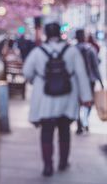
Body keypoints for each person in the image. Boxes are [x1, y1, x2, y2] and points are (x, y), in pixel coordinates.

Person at [23, 23, 92, 177]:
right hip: (67, 98)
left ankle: (48, 166)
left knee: (46, 132)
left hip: (45, 99)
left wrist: (36, 79)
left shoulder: (38, 52)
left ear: (46, 34)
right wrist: (86, 98)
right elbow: (81, 75)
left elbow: (27, 72)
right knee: (65, 131)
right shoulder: (72, 51)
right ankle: (63, 162)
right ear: (60, 33)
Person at [75, 29, 102, 134]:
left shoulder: (73, 50)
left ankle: (79, 122)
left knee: (77, 103)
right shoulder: (91, 49)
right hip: (89, 80)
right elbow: (95, 67)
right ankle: (85, 121)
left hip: (76, 80)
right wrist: (100, 81)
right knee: (88, 102)